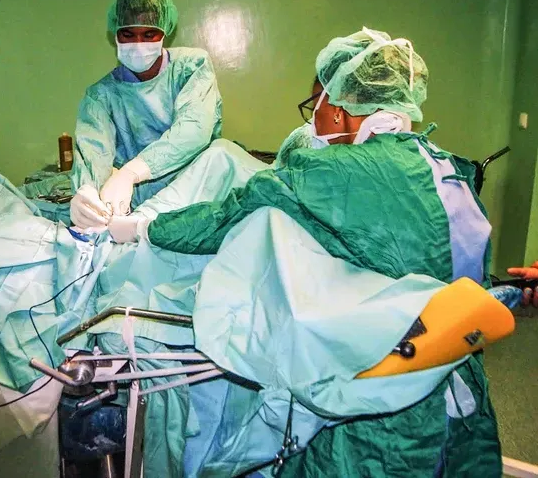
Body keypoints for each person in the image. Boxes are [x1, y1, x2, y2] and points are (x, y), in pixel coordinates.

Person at [110, 27, 504, 476]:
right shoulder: (449, 169)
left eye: (314, 104)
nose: (311, 119)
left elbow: (225, 218)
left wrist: (141, 225)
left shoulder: (334, 170)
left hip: (378, 407)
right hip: (459, 392)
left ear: (336, 110)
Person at [70, 0, 222, 230]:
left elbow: (194, 129)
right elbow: (94, 152)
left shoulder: (191, 68)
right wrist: (86, 192)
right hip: (135, 204)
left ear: (164, 31)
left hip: (196, 188)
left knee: (224, 153)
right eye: (128, 35)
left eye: (149, 34)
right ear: (115, 34)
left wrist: (131, 172)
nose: (138, 44)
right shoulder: (101, 96)